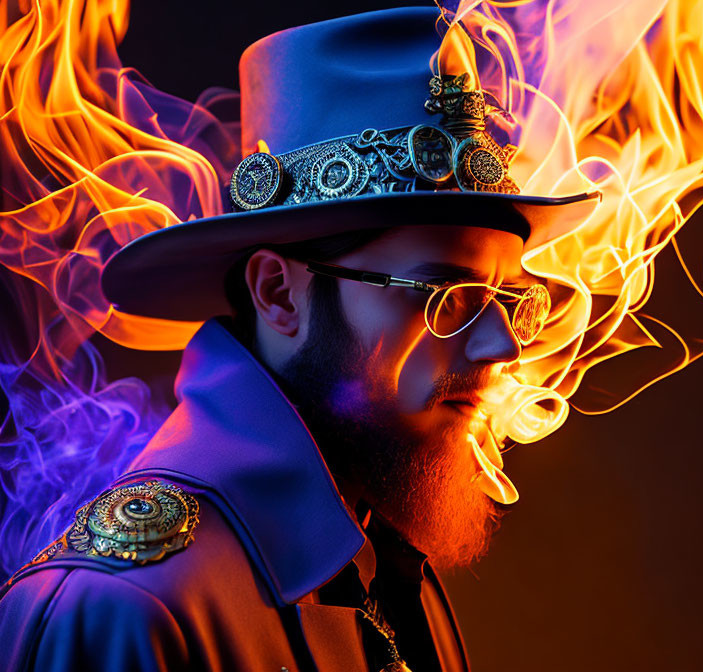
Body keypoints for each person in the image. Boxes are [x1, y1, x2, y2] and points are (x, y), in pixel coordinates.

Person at [0, 7, 598, 671]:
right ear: (279, 294)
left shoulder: (389, 565)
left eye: (506, 299)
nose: (499, 347)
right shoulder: (123, 606)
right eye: (447, 296)